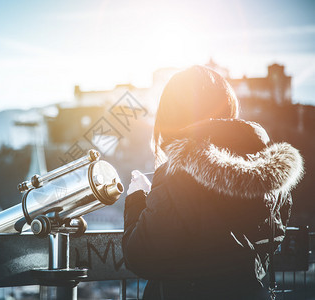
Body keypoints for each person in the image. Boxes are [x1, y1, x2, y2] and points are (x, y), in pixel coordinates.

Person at [122, 65, 304, 299]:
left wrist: (138, 198)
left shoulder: (179, 173)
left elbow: (141, 258)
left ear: (173, 115)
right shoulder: (270, 173)